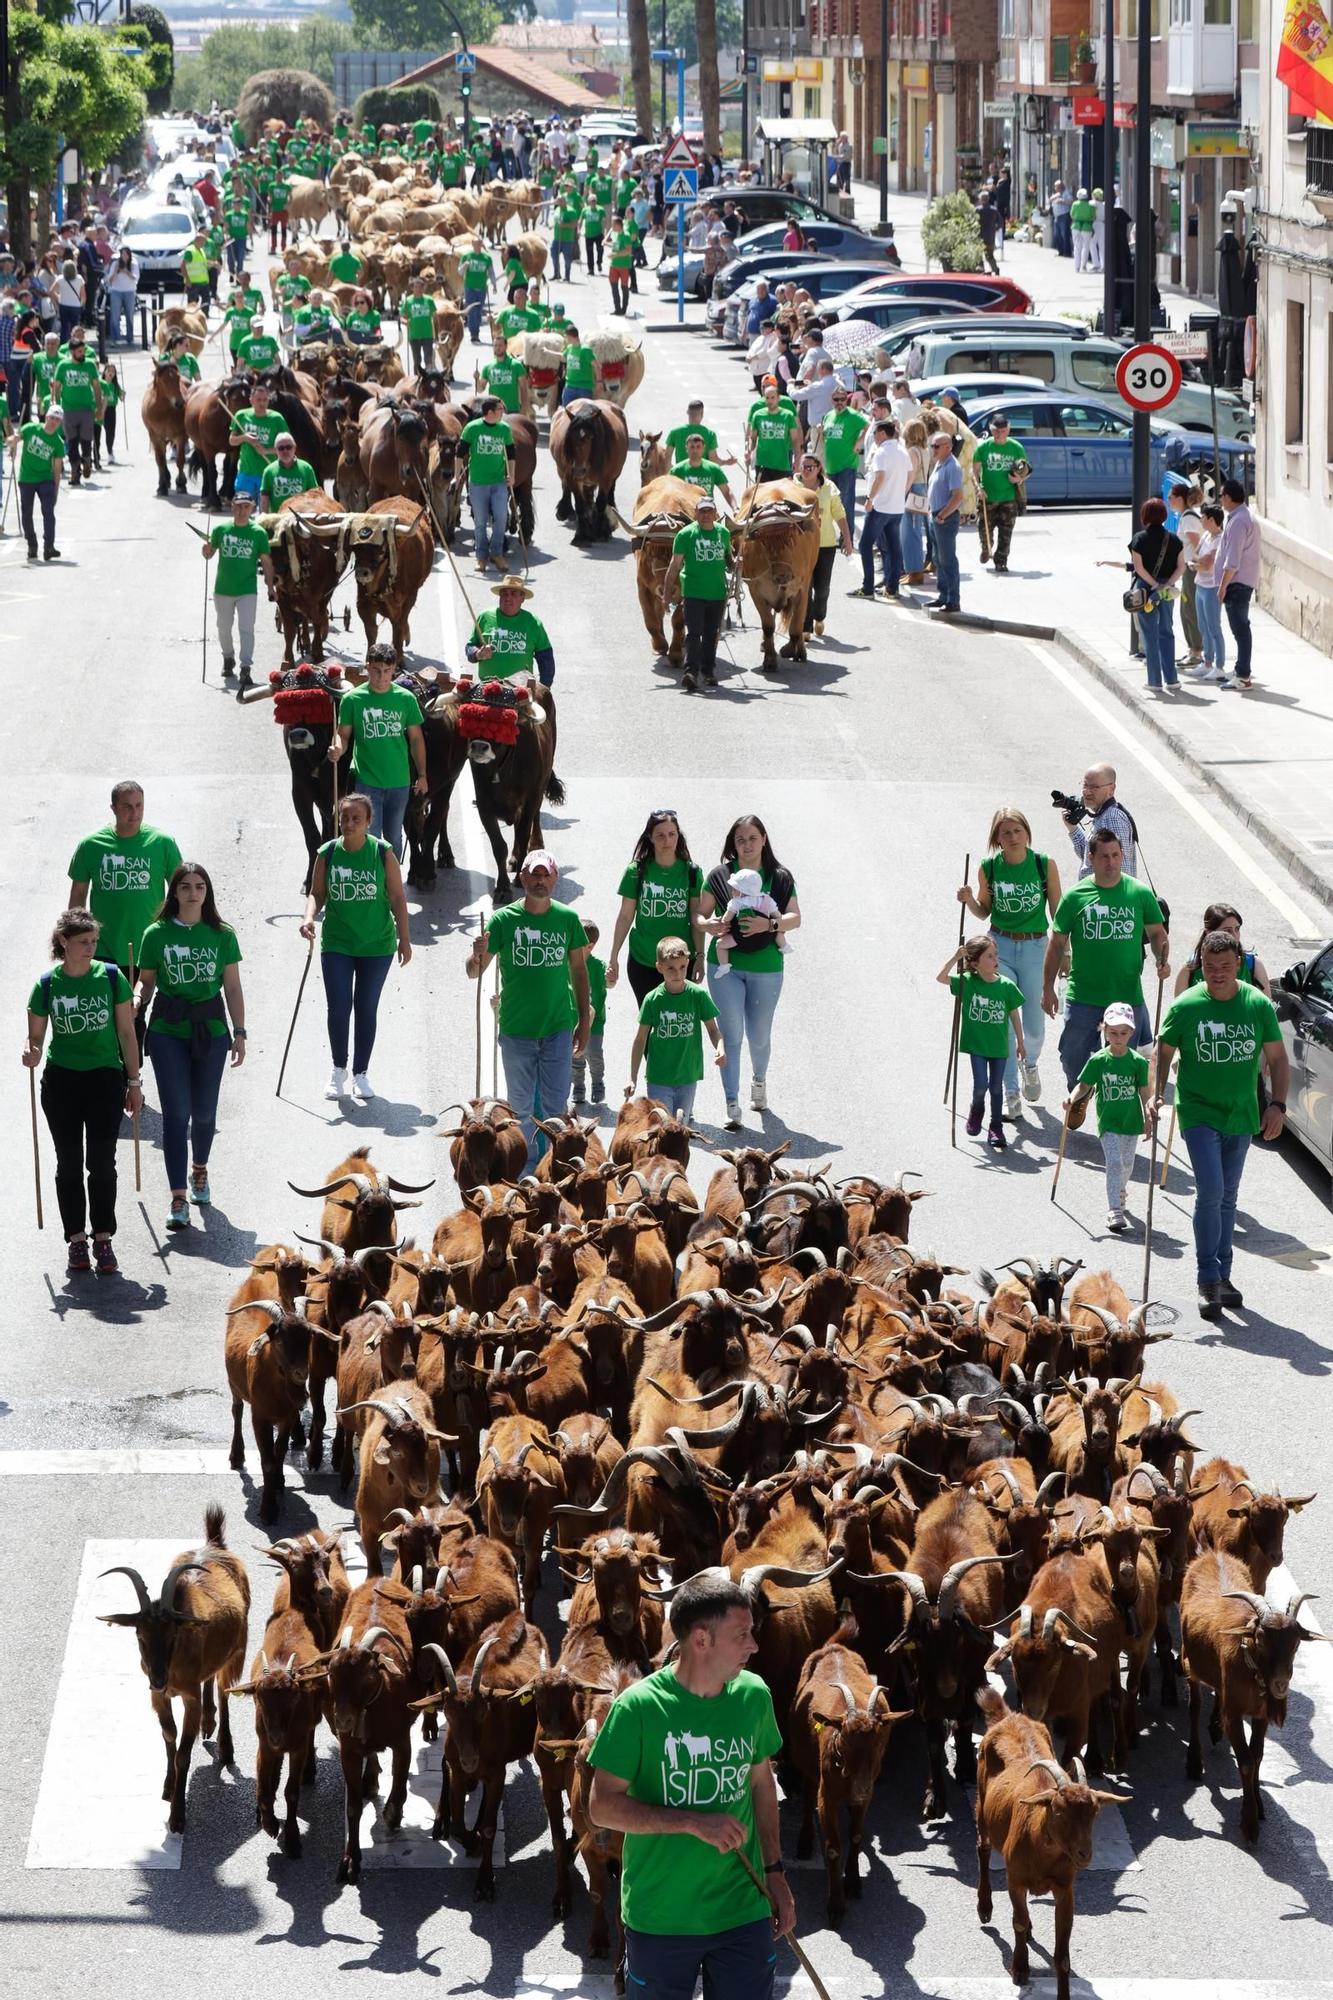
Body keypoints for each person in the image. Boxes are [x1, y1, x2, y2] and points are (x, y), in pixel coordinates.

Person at [586, 1568, 795, 2000]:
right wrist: (694, 1823)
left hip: (743, 1908)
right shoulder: (637, 1709)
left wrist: (775, 1872)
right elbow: (602, 1807)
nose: (754, 1646)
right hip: (660, 1917)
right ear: (702, 1640)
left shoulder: (754, 1696)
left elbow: (761, 1784)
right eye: (742, 1635)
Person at [1154, 929, 1287, 1318]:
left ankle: (1224, 1276)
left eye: (1226, 967)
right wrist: (1155, 1096)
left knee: (1228, 1197)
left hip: (1242, 1114)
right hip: (1198, 1111)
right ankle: (1207, 1278)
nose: (1217, 974)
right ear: (1202, 967)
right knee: (1211, 1191)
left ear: (1238, 966)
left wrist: (1277, 1105)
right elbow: (1162, 1054)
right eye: (1210, 968)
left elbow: (1278, 1060)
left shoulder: (1257, 1005)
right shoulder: (1187, 1006)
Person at [24, 909, 141, 1278]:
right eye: (83, 942)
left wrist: (134, 1082)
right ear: (63, 942)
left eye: (93, 941)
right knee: (69, 1162)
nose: (91, 948)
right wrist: (33, 1051)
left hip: (105, 1079)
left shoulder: (111, 978)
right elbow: (37, 1036)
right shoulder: (47, 985)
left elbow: (126, 1033)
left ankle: (103, 1237)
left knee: (103, 1162)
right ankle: (76, 1239)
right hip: (62, 1082)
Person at [137, 863, 245, 1231]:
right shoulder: (156, 934)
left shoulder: (221, 935)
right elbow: (146, 982)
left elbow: (231, 986)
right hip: (168, 1030)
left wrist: (240, 1031)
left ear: (207, 892)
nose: (193, 893)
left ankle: (200, 1169)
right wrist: (138, 1000)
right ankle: (178, 1197)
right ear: (175, 893)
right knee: (175, 1114)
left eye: (200, 886)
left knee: (203, 1114)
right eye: (185, 887)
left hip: (211, 1031)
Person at [465, 850, 590, 1167]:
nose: (540, 880)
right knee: (519, 1108)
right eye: (534, 874)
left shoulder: (567, 919)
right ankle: (524, 1170)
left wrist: (585, 1021)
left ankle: (551, 1168)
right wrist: (476, 952)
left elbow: (578, 971)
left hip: (557, 1027)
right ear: (521, 877)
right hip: (517, 1029)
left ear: (555, 879)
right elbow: (473, 971)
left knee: (555, 1108)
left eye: (546, 874)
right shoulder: (503, 920)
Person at [301, 791, 411, 1103]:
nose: (349, 823)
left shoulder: (382, 852)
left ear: (368, 822)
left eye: (356, 819)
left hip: (377, 944)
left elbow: (397, 897)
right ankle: (338, 1070)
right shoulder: (328, 853)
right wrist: (309, 917)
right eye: (344, 818)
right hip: (337, 942)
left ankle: (361, 1073)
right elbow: (317, 892)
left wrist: (404, 938)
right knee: (338, 1007)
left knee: (366, 1008)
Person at [1042, 828, 1169, 1089]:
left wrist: (1161, 957)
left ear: (1122, 855)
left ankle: (1114, 1119)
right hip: (1083, 996)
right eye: (1104, 857)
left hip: (1126, 996)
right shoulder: (1075, 897)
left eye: (1115, 855)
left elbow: (1157, 932)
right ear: (1091, 858)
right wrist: (1047, 989)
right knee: (1072, 1059)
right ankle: (1079, 1096)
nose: (1110, 862)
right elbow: (1056, 944)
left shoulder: (1139, 893)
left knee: (1122, 1070)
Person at [957, 808, 1061, 1118]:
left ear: (1027, 833)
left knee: (1034, 1027)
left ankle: (1029, 1063)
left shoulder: (1044, 865)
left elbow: (1058, 911)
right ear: (996, 839)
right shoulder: (989, 868)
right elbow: (983, 911)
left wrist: (1065, 953)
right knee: (1004, 1022)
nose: (1012, 837)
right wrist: (969, 900)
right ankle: (1010, 1094)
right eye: (1006, 833)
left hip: (1035, 947)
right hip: (998, 947)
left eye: (1017, 830)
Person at [699, 814, 800, 1128]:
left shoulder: (779, 878)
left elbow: (794, 918)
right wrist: (709, 924)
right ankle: (732, 1101)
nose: (746, 845)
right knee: (731, 1035)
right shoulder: (719, 876)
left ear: (763, 840)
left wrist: (767, 924)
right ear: (733, 844)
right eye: (740, 840)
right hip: (725, 967)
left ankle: (759, 1080)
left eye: (752, 838)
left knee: (758, 1036)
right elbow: (700, 916)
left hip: (767, 968)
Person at [328, 642, 428, 855]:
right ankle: (374, 885)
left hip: (400, 782)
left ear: (394, 670)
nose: (382, 677)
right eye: (376, 670)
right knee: (370, 837)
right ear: (367, 667)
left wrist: (422, 775)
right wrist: (337, 748)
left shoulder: (406, 699)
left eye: (387, 671)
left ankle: (391, 884)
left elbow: (416, 739)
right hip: (367, 782)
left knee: (393, 838)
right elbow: (343, 734)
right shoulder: (352, 699)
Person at [1064, 1002, 1153, 1233]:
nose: (1118, 1037)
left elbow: (1144, 1092)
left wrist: (1148, 1116)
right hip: (1109, 1121)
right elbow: (1084, 1085)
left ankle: (1120, 1190)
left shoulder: (1137, 1062)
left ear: (1132, 1033)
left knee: (1126, 1165)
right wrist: (1072, 1099)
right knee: (1114, 1162)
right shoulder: (1099, 1061)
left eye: (1124, 1033)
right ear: (1104, 1030)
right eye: (1113, 1032)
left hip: (1131, 1122)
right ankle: (1114, 1210)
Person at [938, 934, 1026, 1150]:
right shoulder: (967, 983)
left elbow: (1015, 1015)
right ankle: (976, 1110)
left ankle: (996, 1127)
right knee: (981, 1086)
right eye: (989, 956)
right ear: (975, 963)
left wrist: (1021, 1043)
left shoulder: (1006, 986)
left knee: (996, 1088)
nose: (995, 959)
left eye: (995, 954)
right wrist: (955, 957)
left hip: (998, 1047)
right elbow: (941, 978)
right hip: (977, 1045)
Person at [608, 811, 705, 1006]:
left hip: (680, 962)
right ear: (650, 838)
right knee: (649, 1023)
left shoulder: (692, 872)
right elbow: (625, 916)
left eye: (672, 834)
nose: (667, 840)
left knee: (676, 1022)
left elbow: (696, 919)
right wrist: (613, 957)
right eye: (660, 835)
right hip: (644, 960)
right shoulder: (636, 872)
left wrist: (700, 957)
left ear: (678, 836)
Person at [627, 936, 724, 1122]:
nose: (677, 973)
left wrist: (720, 1048)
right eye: (670, 968)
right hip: (659, 1078)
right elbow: (640, 1040)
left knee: (680, 1129)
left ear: (688, 963)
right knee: (663, 1128)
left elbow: (713, 1030)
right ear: (659, 967)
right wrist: (632, 1077)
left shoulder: (698, 995)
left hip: (688, 1075)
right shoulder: (652, 999)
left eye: (682, 967)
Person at [202, 491, 274, 690]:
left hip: (247, 589)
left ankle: (245, 667)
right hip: (223, 588)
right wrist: (206, 551)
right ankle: (228, 657)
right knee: (223, 627)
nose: (242, 510)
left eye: (246, 506)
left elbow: (266, 561)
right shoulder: (221, 530)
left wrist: (270, 586)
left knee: (246, 628)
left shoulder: (258, 533)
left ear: (252, 508)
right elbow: (210, 552)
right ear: (232, 506)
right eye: (238, 506)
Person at [663, 491, 733, 693]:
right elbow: (674, 566)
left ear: (715, 513)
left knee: (712, 634)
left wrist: (736, 564)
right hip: (693, 593)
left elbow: (728, 560)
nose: (706, 515)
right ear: (696, 513)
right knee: (694, 634)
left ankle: (708, 671)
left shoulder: (723, 533)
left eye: (709, 511)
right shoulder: (685, 535)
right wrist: (666, 595)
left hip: (717, 593)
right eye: (702, 511)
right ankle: (690, 673)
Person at [1126, 497, 1183, 695]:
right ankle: (1172, 679)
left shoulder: (1139, 539)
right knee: (1167, 631)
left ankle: (1154, 681)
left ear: (1145, 516)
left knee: (1149, 635)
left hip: (1145, 590)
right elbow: (1181, 567)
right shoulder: (1174, 539)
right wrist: (1166, 585)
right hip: (1167, 591)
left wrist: (1154, 585)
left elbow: (1139, 568)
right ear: (1164, 515)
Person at [459, 396, 515, 575]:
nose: (502, 412)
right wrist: (455, 476)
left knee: (501, 519)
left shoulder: (504, 429)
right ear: (490, 412)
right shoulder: (472, 428)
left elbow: (511, 455)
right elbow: (459, 454)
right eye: (500, 410)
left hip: (499, 482)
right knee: (480, 522)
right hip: (477, 483)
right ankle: (481, 556)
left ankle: (496, 553)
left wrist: (511, 476)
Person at [856, 417, 911, 600]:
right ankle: (892, 587)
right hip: (896, 507)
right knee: (895, 548)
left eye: (874, 433)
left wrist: (870, 499)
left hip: (881, 507)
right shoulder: (903, 451)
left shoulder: (881, 453)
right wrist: (901, 492)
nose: (874, 437)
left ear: (881, 433)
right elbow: (910, 474)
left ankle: (868, 587)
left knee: (865, 545)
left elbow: (879, 477)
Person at [799, 452, 852, 639]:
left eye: (809, 467)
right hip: (801, 546)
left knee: (821, 588)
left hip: (825, 545)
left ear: (818, 468)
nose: (805, 471)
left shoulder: (829, 488)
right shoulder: (794, 487)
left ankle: (819, 617)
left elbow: (840, 514)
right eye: (803, 467)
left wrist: (847, 539)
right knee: (804, 586)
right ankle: (805, 627)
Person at [466, 578, 557, 686]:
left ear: (522, 598)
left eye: (513, 594)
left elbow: (546, 659)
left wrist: (544, 688)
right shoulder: (484, 617)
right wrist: (477, 654)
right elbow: (470, 647)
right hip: (487, 687)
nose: (508, 598)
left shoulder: (533, 623)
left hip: (521, 690)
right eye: (504, 593)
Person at [1056, 764, 1139, 880]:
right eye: (1085, 785)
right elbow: (1090, 857)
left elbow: (1120, 869)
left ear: (1111, 789)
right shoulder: (1104, 815)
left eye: (1094, 787)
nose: (1087, 792)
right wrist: (1073, 829)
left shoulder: (1112, 818)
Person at [1215, 477, 1260, 690]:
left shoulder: (1238, 521)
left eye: (1222, 495)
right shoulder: (1241, 516)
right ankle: (1240, 669)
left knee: (1240, 629)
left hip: (1237, 583)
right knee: (1240, 628)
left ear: (1229, 497)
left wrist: (1223, 586)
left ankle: (1243, 675)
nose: (1220, 499)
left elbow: (1232, 560)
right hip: (1240, 582)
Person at [1174, 902, 1270, 997]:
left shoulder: (1253, 965)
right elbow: (1179, 1009)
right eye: (1227, 930)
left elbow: (1266, 1008)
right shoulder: (1188, 970)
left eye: (1237, 929)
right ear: (1209, 932)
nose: (1235, 936)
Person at [973, 415, 1030, 573]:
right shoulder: (983, 447)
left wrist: (1019, 478)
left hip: (1009, 498)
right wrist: (978, 487)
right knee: (984, 529)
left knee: (1006, 532)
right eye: (996, 431)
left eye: (1003, 431)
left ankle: (1001, 561)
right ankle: (986, 548)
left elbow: (1027, 471)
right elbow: (974, 471)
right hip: (988, 498)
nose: (999, 435)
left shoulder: (1016, 447)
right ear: (991, 430)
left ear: (1008, 430)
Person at [10, 403, 64, 561]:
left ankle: (49, 546)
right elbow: (16, 438)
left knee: (49, 513)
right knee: (26, 514)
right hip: (26, 478)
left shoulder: (58, 442)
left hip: (45, 479)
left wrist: (56, 490)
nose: (54, 422)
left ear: (60, 423)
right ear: (46, 417)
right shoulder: (31, 428)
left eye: (57, 420)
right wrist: (12, 441)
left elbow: (57, 469)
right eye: (52, 418)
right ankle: (32, 544)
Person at [53, 327, 102, 486]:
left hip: (87, 409)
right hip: (68, 410)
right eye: (80, 352)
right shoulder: (63, 365)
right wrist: (56, 407)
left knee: (86, 440)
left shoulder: (89, 365)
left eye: (83, 351)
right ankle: (75, 471)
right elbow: (57, 388)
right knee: (71, 442)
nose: (83, 354)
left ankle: (87, 459)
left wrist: (99, 407)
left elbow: (96, 387)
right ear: (72, 352)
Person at [818, 381, 868, 533]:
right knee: (829, 503)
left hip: (847, 466)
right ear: (831, 400)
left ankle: (847, 537)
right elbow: (825, 438)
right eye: (836, 399)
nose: (839, 402)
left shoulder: (853, 416)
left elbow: (870, 427)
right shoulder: (828, 416)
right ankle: (830, 534)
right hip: (831, 467)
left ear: (847, 399)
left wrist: (859, 442)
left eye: (842, 399)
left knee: (846, 504)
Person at [1186, 502, 1227, 684]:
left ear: (1211, 520)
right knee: (1203, 626)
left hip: (1212, 587)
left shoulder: (1220, 540)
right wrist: (1199, 563)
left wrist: (1199, 563)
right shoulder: (1205, 538)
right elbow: (1195, 556)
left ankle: (1219, 666)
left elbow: (1208, 563)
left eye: (1203, 517)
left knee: (1214, 627)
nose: (1200, 520)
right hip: (1200, 585)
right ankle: (1207, 661)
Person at [227, 379, 284, 501]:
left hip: (268, 473)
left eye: (265, 400)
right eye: (259, 400)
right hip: (245, 473)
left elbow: (287, 446)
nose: (262, 403)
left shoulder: (277, 418)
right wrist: (245, 438)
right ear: (251, 400)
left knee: (265, 514)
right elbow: (231, 441)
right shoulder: (241, 415)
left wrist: (266, 451)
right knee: (243, 507)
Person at [927, 429, 963, 614]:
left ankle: (953, 599)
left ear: (948, 447)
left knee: (948, 560)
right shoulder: (940, 463)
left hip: (945, 519)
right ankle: (943, 596)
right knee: (938, 559)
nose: (933, 449)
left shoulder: (952, 467)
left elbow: (957, 497)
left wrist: (942, 515)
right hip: (935, 517)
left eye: (936, 446)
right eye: (932, 445)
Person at [572, 917, 606, 1105]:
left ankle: (598, 1083)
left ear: (590, 946)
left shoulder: (597, 967)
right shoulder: (567, 964)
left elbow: (600, 996)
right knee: (575, 1057)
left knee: (594, 1055)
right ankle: (578, 1087)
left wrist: (589, 1018)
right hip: (571, 1021)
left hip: (595, 1024)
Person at [746, 382, 801, 488]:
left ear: (778, 398)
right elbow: (752, 438)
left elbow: (795, 440)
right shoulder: (758, 415)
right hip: (763, 464)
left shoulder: (787, 415)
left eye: (772, 397)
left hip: (782, 465)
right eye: (767, 398)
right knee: (763, 498)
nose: (770, 401)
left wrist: (797, 459)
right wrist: (749, 452)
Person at [477, 327, 532, 419]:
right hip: (493, 410)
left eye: (500, 345)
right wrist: (476, 379)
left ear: (506, 346)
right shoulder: (488, 367)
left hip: (512, 410)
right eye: (495, 346)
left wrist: (524, 408)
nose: (498, 348)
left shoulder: (516, 365)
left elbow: (524, 389)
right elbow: (480, 389)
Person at [671, 432, 734, 508]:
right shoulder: (676, 470)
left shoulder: (713, 468)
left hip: (708, 511)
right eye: (692, 447)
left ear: (703, 448)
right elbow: (668, 493)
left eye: (698, 447)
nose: (695, 450)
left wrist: (735, 508)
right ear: (686, 448)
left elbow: (727, 492)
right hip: (685, 513)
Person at [259, 431, 318, 505]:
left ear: (295, 448)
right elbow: (264, 498)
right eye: (281, 448)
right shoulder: (268, 471)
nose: (285, 451)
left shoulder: (306, 468)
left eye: (289, 447)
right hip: (278, 515)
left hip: (301, 515)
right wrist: (264, 515)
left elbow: (315, 494)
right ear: (276, 450)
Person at [459, 239, 494, 345]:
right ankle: (474, 333)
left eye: (479, 244)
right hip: (470, 287)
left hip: (482, 288)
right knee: (471, 310)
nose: (477, 246)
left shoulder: (487, 258)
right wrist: (465, 265)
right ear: (472, 244)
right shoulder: (467, 256)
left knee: (478, 311)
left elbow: (491, 272)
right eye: (475, 244)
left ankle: (476, 331)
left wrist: (494, 284)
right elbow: (460, 272)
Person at [402, 277, 439, 376]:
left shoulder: (429, 300)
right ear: (412, 288)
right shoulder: (408, 301)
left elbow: (435, 317)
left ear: (423, 288)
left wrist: (437, 334)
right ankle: (417, 378)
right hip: (414, 335)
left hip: (427, 334)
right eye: (415, 287)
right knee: (417, 360)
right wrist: (405, 321)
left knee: (428, 359)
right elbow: (402, 317)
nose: (418, 289)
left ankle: (429, 378)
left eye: (420, 287)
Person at [559, 322, 600, 407]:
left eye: (566, 336)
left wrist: (599, 382)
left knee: (585, 415)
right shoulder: (569, 348)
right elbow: (563, 357)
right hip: (569, 387)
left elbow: (597, 366)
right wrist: (548, 352)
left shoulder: (585, 350)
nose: (565, 338)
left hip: (584, 388)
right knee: (565, 412)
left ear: (570, 336)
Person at [106, 247, 139, 344]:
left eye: (126, 254)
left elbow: (136, 278)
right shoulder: (115, 264)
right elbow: (109, 280)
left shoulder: (133, 264)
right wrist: (116, 271)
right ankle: (116, 337)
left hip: (129, 291)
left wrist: (126, 271)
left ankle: (130, 338)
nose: (124, 256)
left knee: (129, 315)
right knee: (115, 316)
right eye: (122, 254)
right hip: (116, 291)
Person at [96, 360, 121, 468]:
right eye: (109, 371)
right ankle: (96, 455)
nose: (111, 373)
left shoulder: (115, 386)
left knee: (111, 432)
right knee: (97, 431)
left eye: (113, 371)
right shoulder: (100, 383)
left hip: (111, 409)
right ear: (104, 372)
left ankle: (110, 451)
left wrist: (123, 394)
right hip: (101, 409)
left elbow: (121, 397)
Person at [1070, 187, 1096, 271]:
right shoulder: (1091, 205)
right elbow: (1093, 217)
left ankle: (1076, 267)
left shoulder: (1075, 204)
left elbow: (1072, 215)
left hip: (1076, 227)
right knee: (1086, 247)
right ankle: (1083, 266)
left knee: (1077, 247)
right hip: (1087, 227)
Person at [977, 190, 1002, 275]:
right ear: (988, 199)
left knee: (979, 256)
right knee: (990, 256)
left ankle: (981, 270)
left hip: (979, 236)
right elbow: (1000, 222)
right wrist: (995, 228)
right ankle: (995, 269)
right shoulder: (994, 210)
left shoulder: (977, 210)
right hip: (990, 236)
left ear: (981, 199)